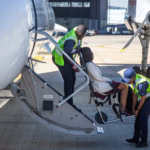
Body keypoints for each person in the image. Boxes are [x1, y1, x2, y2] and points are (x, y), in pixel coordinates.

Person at [80, 47, 128, 113]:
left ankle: (122, 106)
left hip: (99, 85)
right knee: (125, 86)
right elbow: (98, 78)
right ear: (87, 55)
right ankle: (123, 110)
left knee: (121, 86)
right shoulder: (89, 65)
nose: (92, 54)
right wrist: (110, 80)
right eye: (90, 53)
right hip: (101, 86)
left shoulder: (87, 64)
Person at [52, 25, 87, 106]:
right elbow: (66, 54)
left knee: (73, 79)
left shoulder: (76, 35)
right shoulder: (72, 39)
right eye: (84, 34)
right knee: (69, 81)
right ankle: (69, 103)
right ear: (80, 33)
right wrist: (74, 64)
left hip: (66, 58)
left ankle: (69, 99)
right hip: (60, 59)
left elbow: (76, 49)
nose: (84, 36)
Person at [123, 68, 150, 147]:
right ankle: (136, 138)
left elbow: (143, 98)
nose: (127, 81)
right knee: (137, 118)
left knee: (143, 119)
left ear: (133, 77)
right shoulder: (133, 81)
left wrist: (138, 109)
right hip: (143, 98)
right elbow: (135, 95)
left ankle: (144, 141)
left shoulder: (141, 83)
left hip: (148, 99)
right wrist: (133, 108)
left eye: (128, 79)